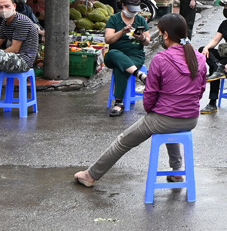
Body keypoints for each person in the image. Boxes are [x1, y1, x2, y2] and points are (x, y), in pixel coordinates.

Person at [75, 15, 208, 187]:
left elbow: (150, 95)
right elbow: (201, 91)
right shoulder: (199, 58)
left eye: (160, 33)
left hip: (165, 119)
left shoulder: (161, 59)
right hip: (191, 119)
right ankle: (177, 172)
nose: (159, 36)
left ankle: (90, 175)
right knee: (169, 125)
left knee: (123, 141)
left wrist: (153, 112)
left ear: (165, 35)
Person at [102, 0, 153, 116]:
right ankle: (139, 75)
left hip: (135, 56)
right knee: (114, 54)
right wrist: (122, 31)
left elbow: (147, 42)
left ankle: (118, 103)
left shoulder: (140, 20)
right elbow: (108, 40)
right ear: (123, 5)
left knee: (122, 68)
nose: (132, 12)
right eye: (130, 9)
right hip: (115, 55)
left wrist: (141, 38)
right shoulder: (114, 19)